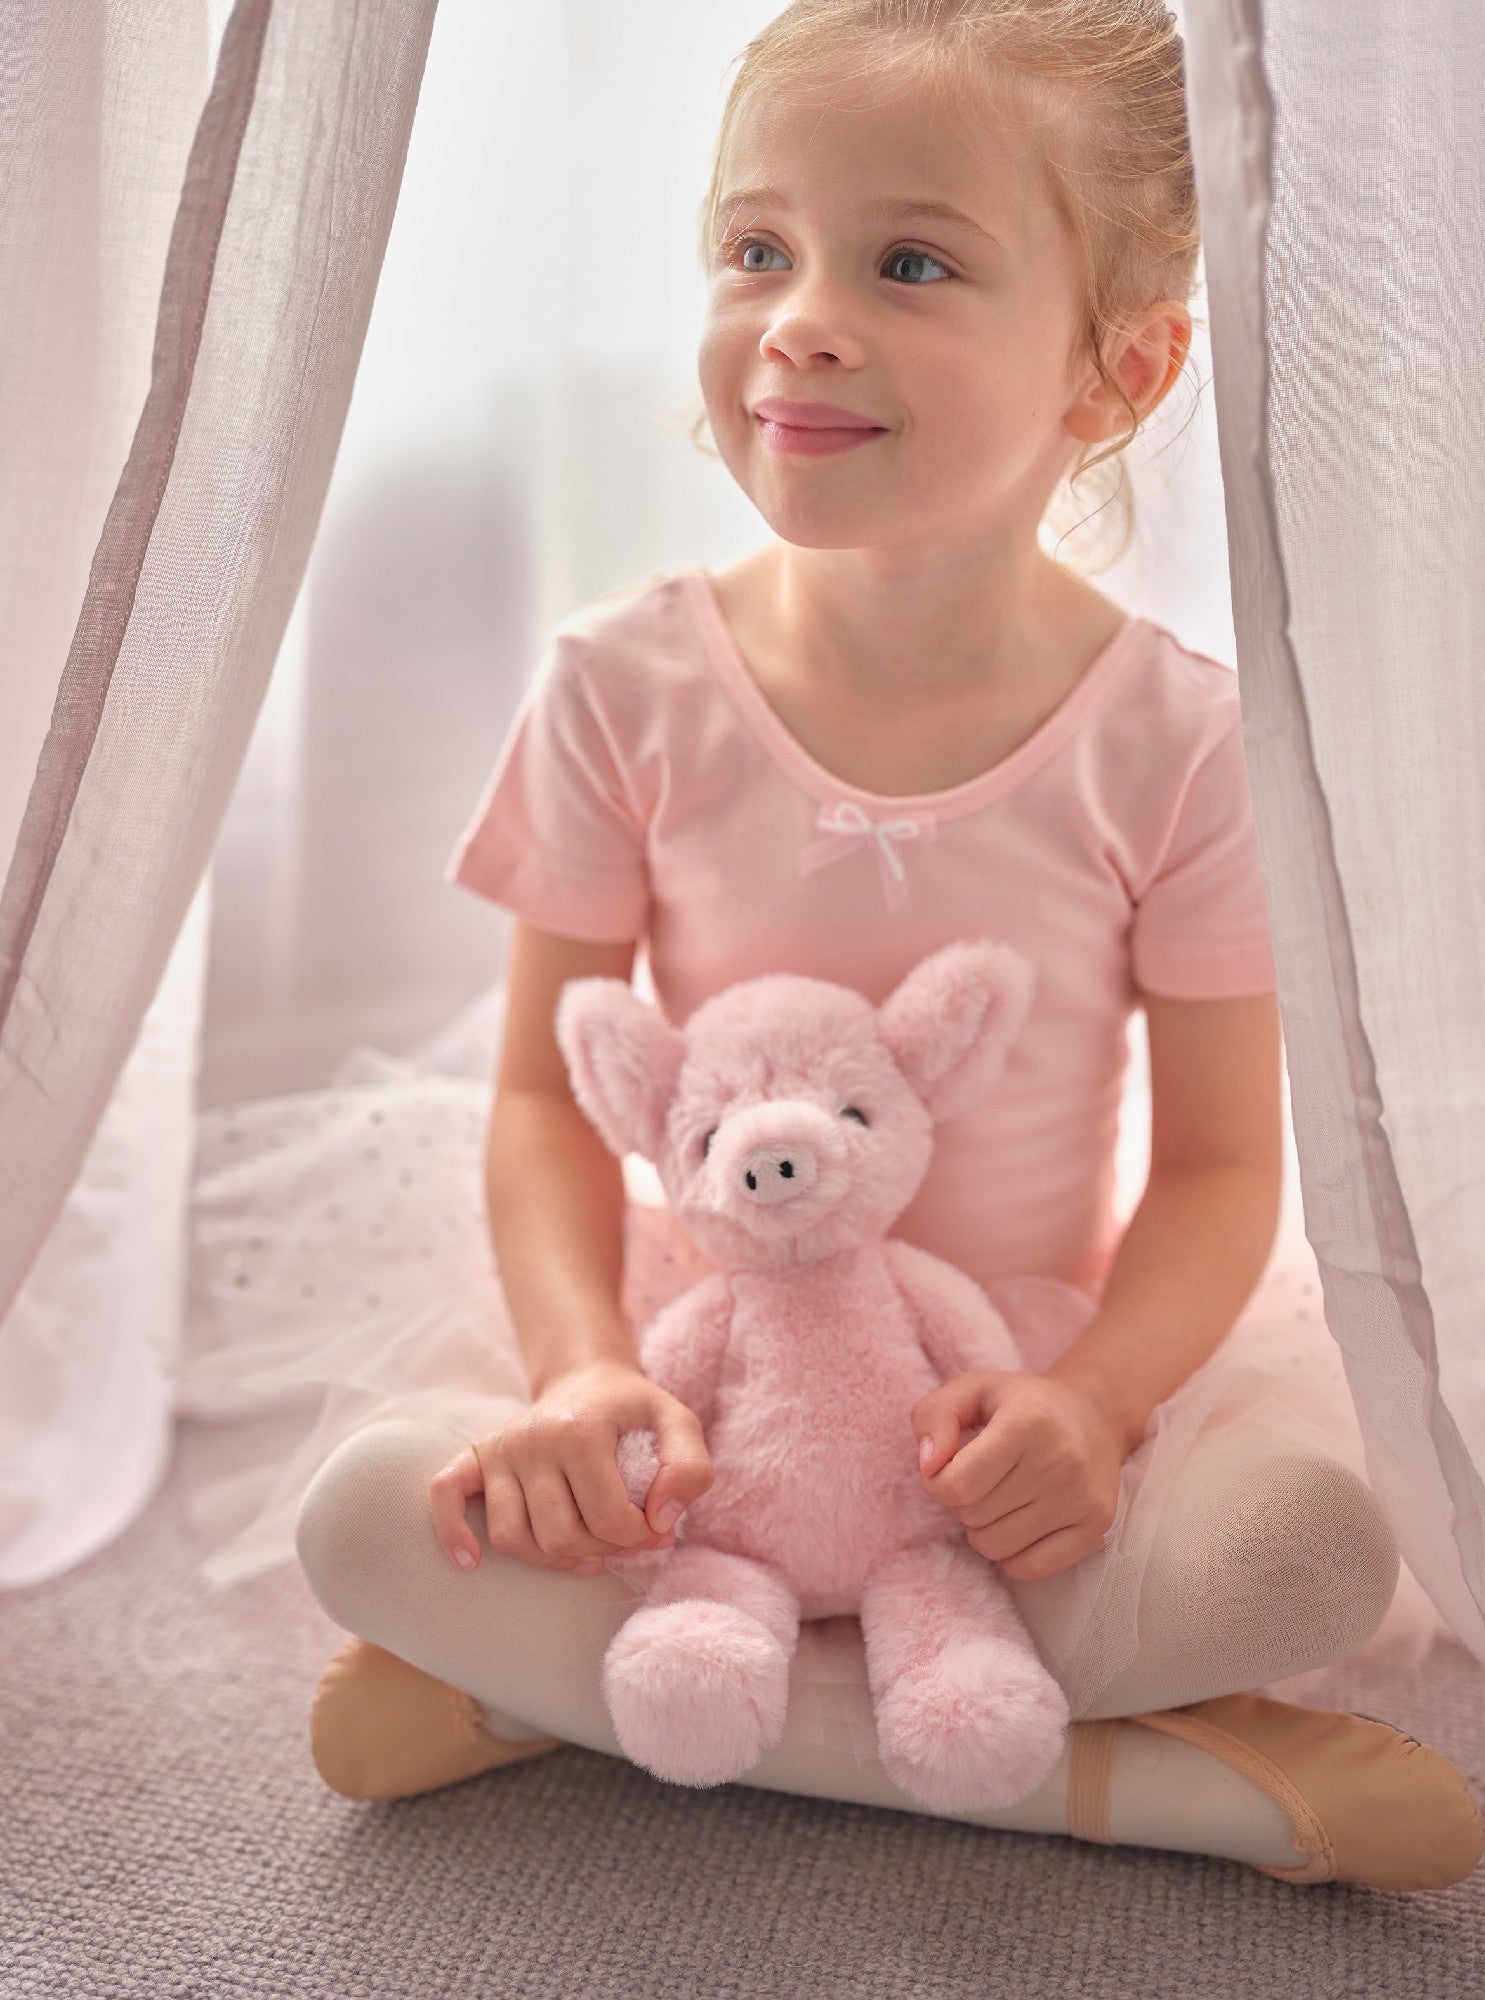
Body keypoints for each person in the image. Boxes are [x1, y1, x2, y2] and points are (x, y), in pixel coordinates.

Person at [202, 0, 1481, 1890]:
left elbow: (1220, 1167)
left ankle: (574, 1698)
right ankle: (1118, 1777)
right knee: (369, 1511)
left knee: (1300, 1549)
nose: (795, 319)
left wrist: (1089, 1410)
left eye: (908, 263)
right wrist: (582, 1378)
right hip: (703, 1378)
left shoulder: (1180, 743)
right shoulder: (620, 683)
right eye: (754, 249)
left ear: (1117, 371)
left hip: (1012, 1386)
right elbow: (545, 1104)